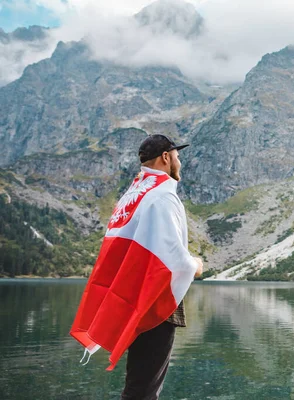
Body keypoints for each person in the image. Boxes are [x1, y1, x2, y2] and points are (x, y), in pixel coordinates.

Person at [70, 134, 203, 400]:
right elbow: (172, 258)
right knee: (144, 387)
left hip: (130, 297)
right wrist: (197, 265)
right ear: (166, 157)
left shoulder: (132, 196)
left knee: (139, 380)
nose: (180, 161)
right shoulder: (161, 197)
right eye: (177, 155)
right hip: (154, 298)